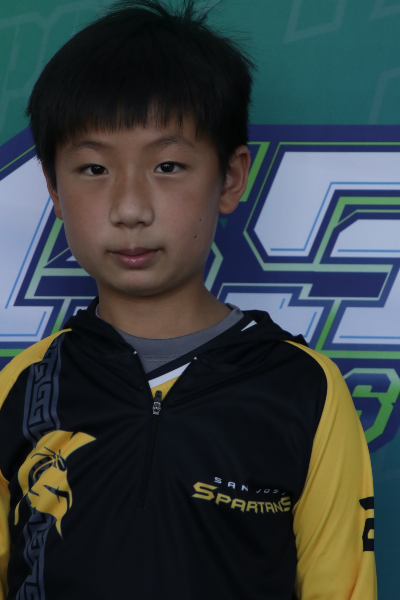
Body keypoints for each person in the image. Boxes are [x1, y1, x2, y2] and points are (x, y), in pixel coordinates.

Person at [0, 1, 377, 598]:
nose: (130, 209)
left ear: (230, 178)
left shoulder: (305, 390)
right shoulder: (19, 388)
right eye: (94, 169)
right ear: (52, 186)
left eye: (169, 165)